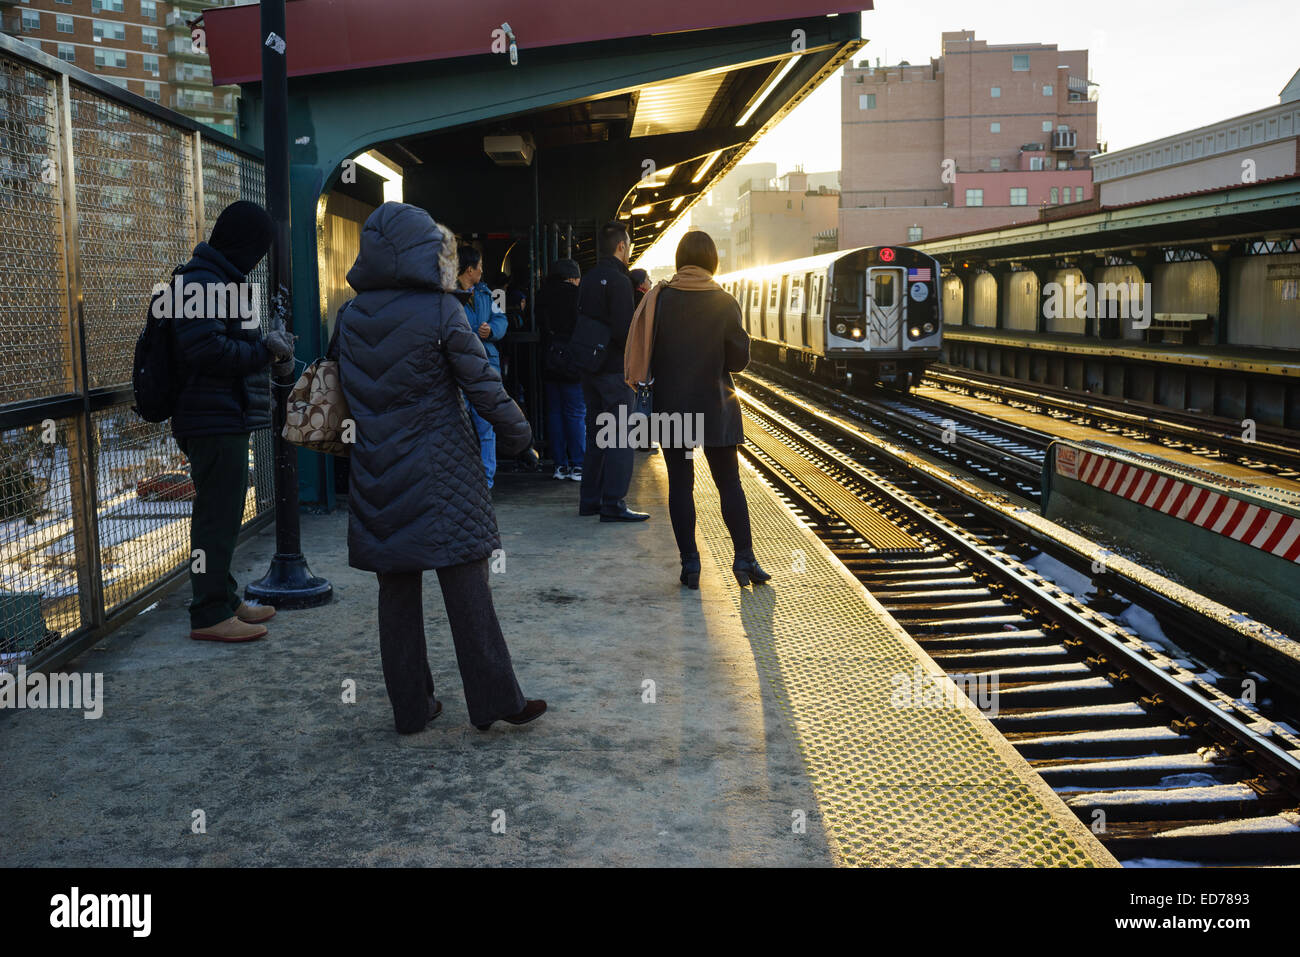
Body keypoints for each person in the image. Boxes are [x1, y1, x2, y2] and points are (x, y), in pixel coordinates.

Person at [338, 202, 545, 734]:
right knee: (466, 581)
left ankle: (411, 708)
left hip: (377, 470)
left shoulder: (351, 315)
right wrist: (520, 435)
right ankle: (495, 700)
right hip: (441, 470)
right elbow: (483, 386)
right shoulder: (441, 311)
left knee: (397, 590)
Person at [167, 200, 296, 643]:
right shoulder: (201, 282)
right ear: (244, 243)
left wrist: (267, 349)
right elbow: (206, 351)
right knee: (214, 516)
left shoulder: (218, 279)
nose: (259, 257)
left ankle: (224, 599)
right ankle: (207, 613)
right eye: (258, 247)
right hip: (209, 417)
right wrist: (265, 351)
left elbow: (224, 343)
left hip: (223, 413)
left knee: (223, 513)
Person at [624, 229, 770, 589]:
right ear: (712, 261)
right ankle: (744, 558)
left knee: (681, 486)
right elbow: (737, 362)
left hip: (674, 408)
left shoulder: (661, 299)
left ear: (680, 260)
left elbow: (646, 355)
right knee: (729, 484)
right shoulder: (724, 301)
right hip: (716, 406)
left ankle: (690, 564)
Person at [576, 222, 648, 522]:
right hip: (613, 372)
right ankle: (613, 504)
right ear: (621, 246)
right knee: (619, 436)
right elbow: (624, 331)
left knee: (596, 435)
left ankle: (590, 500)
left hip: (589, 369)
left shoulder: (588, 278)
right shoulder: (620, 282)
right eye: (629, 245)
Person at [456, 245, 508, 488]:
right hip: (462, 368)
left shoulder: (487, 293)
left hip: (486, 367)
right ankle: (463, 480)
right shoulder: (448, 296)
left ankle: (486, 480)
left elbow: (501, 319)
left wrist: (492, 330)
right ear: (469, 269)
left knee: (486, 426)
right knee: (460, 428)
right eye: (480, 267)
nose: (482, 271)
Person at [536, 258, 586, 481]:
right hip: (572, 362)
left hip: (548, 360)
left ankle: (559, 465)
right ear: (574, 277)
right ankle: (578, 464)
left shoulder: (542, 295)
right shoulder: (577, 295)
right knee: (575, 413)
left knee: (554, 414)